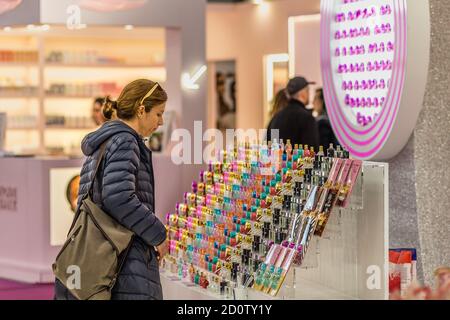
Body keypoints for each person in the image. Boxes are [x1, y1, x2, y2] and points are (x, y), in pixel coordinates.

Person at [55, 79, 168, 300]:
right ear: (141, 109)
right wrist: (158, 234)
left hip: (103, 254)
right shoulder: (126, 141)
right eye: (158, 113)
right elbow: (119, 198)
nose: (161, 121)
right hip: (123, 258)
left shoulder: (103, 141)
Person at [267, 76, 319, 149]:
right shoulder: (307, 118)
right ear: (302, 94)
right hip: (299, 160)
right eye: (307, 91)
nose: (309, 94)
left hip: (278, 160)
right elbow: (311, 151)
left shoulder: (276, 118)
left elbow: (271, 148)